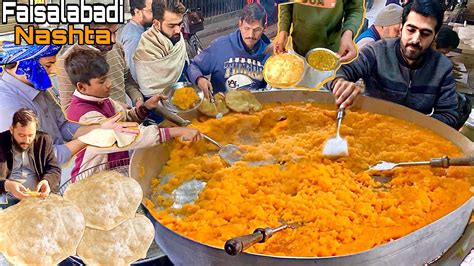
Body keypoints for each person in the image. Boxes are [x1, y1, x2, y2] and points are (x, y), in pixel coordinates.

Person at [65, 49, 202, 177]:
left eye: (107, 78)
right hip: (93, 180)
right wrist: (176, 132)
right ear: (82, 87)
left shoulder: (102, 99)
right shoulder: (82, 116)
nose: (109, 84)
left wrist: (145, 108)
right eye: (102, 81)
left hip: (116, 170)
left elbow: (125, 120)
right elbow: (124, 136)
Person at [0, 43, 139, 166]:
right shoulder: (7, 105)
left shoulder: (36, 87)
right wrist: (87, 139)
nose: (54, 71)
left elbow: (63, 126)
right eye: (48, 65)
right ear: (22, 65)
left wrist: (100, 128)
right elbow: (42, 157)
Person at [331, 0, 459, 128]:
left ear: (435, 36)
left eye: (425, 34)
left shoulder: (442, 67)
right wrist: (339, 82)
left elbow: (449, 115)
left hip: (413, 136)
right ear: (401, 28)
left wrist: (411, 125)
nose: (415, 40)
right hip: (370, 128)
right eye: (411, 30)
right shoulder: (377, 51)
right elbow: (336, 72)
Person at [187, 4, 271, 96]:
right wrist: (199, 79)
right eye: (247, 28)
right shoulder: (220, 46)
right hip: (221, 107)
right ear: (240, 24)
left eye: (257, 30)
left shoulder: (270, 53)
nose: (251, 35)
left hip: (254, 106)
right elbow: (193, 66)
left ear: (265, 27)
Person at [57, 23, 144, 109]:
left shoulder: (117, 47)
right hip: (98, 121)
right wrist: (112, 106)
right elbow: (69, 109)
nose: (113, 40)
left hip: (125, 119)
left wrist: (138, 100)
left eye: (115, 32)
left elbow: (127, 80)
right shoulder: (66, 61)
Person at [0, 108, 60, 207]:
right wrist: (7, 185)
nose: (26, 140)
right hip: (6, 198)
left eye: (30, 135)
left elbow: (54, 169)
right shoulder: (1, 141)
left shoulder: (44, 140)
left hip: (38, 199)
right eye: (21, 135)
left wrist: (47, 181)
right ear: (11, 130)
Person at [273, 0, 364, 63]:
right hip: (297, 49)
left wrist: (348, 34)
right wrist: (283, 31)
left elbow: (355, 9)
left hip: (330, 53)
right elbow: (286, 4)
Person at [134, 0, 189, 97]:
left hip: (185, 95)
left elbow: (186, 66)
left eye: (180, 24)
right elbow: (150, 92)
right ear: (156, 24)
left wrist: (198, 77)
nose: (178, 30)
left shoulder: (177, 37)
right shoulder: (145, 50)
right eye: (171, 25)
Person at [118, 0, 154, 82]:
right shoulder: (134, 37)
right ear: (138, 12)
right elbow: (133, 73)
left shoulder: (136, 29)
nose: (154, 15)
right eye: (151, 11)